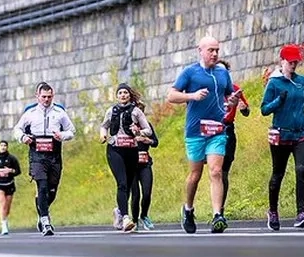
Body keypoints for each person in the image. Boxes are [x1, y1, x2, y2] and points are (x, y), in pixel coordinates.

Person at [166, 36, 236, 234]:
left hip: (217, 130)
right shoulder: (190, 72)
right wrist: (192, 96)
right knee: (195, 175)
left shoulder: (223, 73)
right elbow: (171, 95)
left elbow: (228, 96)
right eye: (211, 50)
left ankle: (217, 216)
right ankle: (188, 209)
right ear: (200, 51)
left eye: (217, 50)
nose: (214, 54)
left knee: (215, 171)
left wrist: (232, 101)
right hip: (196, 131)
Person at [262, 44, 304, 230]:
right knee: (278, 173)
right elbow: (264, 109)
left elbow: (301, 103)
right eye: (290, 62)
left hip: (302, 132)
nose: (294, 65)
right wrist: (279, 100)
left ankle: (301, 213)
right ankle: (272, 211)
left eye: (296, 62)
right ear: (282, 61)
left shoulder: (302, 81)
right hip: (281, 134)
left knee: (301, 169)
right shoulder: (274, 83)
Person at [12, 82, 76, 236]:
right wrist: (23, 137)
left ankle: (41, 211)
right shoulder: (30, 113)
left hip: (54, 154)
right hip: (37, 154)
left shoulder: (60, 112)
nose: (46, 99)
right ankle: (46, 221)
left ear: (53, 96)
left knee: (51, 190)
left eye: (49, 97)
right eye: (43, 97)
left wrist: (62, 136)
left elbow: (72, 131)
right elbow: (17, 129)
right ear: (37, 96)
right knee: (42, 185)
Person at [98, 83, 153, 232]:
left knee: (128, 184)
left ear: (129, 95)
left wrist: (138, 131)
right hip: (115, 150)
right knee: (122, 183)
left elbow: (148, 130)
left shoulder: (136, 112)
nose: (123, 95)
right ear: (117, 96)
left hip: (131, 150)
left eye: (125, 93)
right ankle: (126, 218)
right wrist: (103, 135)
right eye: (120, 93)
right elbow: (104, 125)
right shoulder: (111, 111)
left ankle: (119, 211)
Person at [217, 60, 250, 215]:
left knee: (223, 171)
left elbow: (246, 111)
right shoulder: (208, 90)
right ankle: (190, 208)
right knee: (212, 171)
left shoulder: (235, 90)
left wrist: (243, 108)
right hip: (210, 131)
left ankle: (219, 210)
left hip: (228, 131)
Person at [130, 103, 159, 231]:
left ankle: (144, 215)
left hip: (145, 163)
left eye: (141, 111)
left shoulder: (147, 126)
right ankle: (134, 220)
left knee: (147, 192)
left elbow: (155, 142)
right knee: (135, 194)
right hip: (130, 164)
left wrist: (148, 141)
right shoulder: (126, 126)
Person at [0, 140, 22, 235]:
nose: (3, 147)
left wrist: (10, 170)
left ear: (7, 147)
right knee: (2, 203)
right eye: (1, 145)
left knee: (7, 206)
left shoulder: (12, 159)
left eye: (5, 145)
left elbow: (18, 171)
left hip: (9, 184)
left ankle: (5, 219)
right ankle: (4, 226)